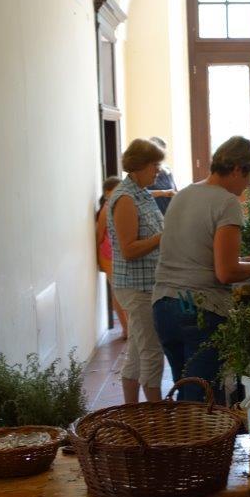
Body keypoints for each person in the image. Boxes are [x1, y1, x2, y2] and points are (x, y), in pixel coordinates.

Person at [152, 136, 250, 402]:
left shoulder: (184, 194)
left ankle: (183, 430)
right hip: (198, 308)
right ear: (237, 169)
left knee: (185, 390)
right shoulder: (227, 202)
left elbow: (197, 253)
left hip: (164, 305)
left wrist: (245, 261)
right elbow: (226, 273)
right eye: (249, 176)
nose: (249, 184)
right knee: (202, 399)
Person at [108, 138, 165, 404]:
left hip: (147, 283)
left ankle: (131, 412)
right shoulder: (125, 198)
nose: (158, 171)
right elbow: (129, 249)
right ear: (140, 165)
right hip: (136, 286)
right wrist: (164, 237)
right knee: (151, 352)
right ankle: (156, 415)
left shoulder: (142, 193)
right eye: (155, 165)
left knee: (135, 352)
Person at [95, 176, 128, 338]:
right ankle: (126, 329)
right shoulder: (106, 209)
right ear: (107, 193)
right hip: (109, 256)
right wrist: (97, 259)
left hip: (119, 255)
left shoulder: (118, 206)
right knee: (117, 292)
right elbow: (99, 236)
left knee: (123, 291)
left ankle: (129, 328)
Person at [148, 135, 178, 215]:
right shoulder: (144, 171)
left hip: (169, 214)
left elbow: (174, 190)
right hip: (154, 214)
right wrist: (162, 192)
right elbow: (139, 194)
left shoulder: (167, 170)